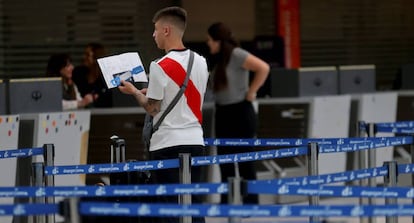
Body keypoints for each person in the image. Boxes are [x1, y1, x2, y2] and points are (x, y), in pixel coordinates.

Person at [118, 6, 209, 223]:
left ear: (166, 30)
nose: (153, 35)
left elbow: (153, 108)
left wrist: (133, 92)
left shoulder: (159, 65)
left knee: (167, 206)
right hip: (196, 140)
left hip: (166, 144)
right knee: (194, 203)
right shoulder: (201, 61)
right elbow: (182, 97)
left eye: (156, 30)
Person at [206, 22, 270, 204]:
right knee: (225, 160)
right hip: (223, 112)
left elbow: (263, 68)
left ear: (218, 41)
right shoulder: (219, 59)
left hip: (240, 111)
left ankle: (251, 203)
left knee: (245, 161)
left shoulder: (236, 54)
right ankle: (227, 201)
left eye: (210, 40)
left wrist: (251, 92)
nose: (208, 43)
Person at [72, 42, 113, 107]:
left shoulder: (106, 78)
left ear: (96, 57)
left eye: (87, 55)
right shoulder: (79, 73)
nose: (84, 57)